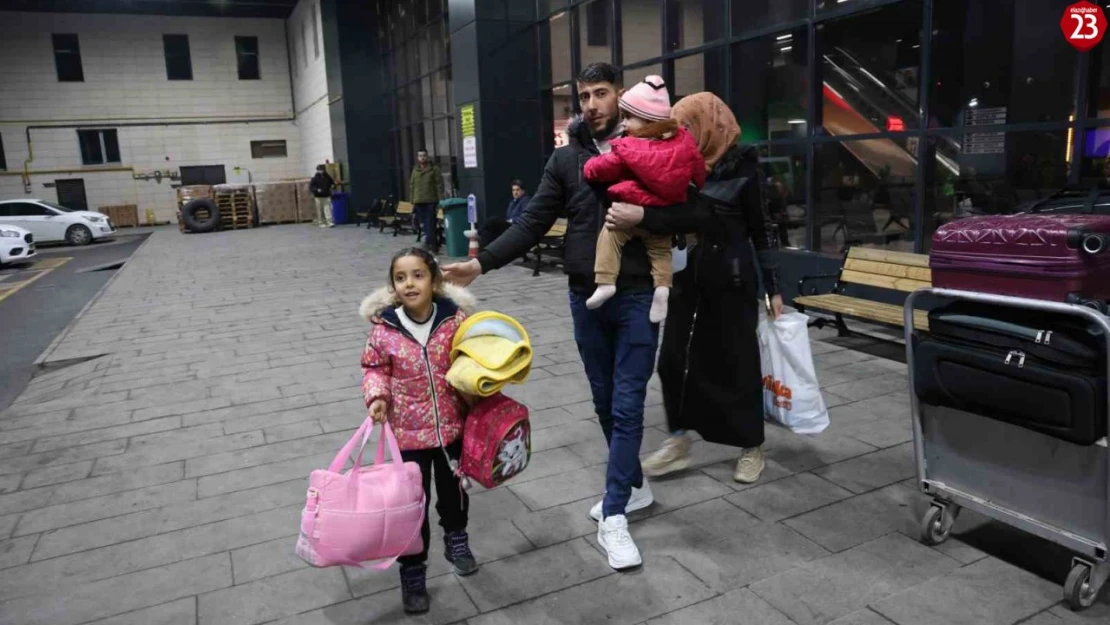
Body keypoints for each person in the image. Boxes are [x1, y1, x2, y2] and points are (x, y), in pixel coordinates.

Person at [443, 62, 668, 572]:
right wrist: (481, 263)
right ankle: (633, 486)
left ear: (620, 97)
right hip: (583, 295)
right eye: (583, 96)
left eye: (601, 93)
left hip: (636, 295)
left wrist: (646, 218)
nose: (591, 104)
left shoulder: (650, 147)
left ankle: (614, 515)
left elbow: (690, 211)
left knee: (629, 403)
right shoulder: (566, 160)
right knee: (605, 401)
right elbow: (533, 220)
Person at [607, 93, 784, 483]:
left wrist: (774, 287)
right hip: (686, 277)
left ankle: (751, 445)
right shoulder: (680, 163)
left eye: (687, 127)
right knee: (672, 359)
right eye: (677, 128)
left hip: (733, 279)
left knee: (737, 363)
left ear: (709, 124)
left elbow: (763, 229)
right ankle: (679, 440)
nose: (681, 134)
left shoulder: (744, 165)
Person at [359, 247, 479, 614]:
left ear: (435, 280)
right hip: (407, 435)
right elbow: (374, 367)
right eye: (400, 277)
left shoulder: (454, 320)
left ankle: (456, 537)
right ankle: (413, 571)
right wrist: (377, 396)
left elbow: (473, 357)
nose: (409, 283)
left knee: (454, 494)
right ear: (393, 286)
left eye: (417, 275)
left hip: (450, 431)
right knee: (411, 507)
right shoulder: (385, 329)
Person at [582, 75, 706, 322]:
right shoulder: (684, 143)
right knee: (660, 251)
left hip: (631, 207)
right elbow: (699, 170)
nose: (625, 123)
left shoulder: (630, 147)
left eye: (628, 117)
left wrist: (589, 168)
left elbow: (603, 167)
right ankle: (662, 288)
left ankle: (605, 281)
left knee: (610, 235)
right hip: (662, 213)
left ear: (647, 119)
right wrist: (697, 182)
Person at [410, 149, 445, 253]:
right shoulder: (415, 170)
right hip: (418, 201)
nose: (422, 157)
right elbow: (412, 185)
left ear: (427, 156)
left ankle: (433, 246)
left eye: (424, 155)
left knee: (430, 223)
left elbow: (439, 186)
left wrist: (441, 200)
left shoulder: (434, 169)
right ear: (417, 157)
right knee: (424, 224)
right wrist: (412, 200)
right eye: (420, 156)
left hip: (431, 201)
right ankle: (429, 243)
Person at [478, 180, 530, 248]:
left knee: (493, 220)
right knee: (487, 233)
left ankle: (478, 232)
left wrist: (512, 220)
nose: (515, 192)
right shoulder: (512, 202)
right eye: (513, 190)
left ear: (523, 191)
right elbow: (508, 216)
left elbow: (525, 217)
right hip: (509, 226)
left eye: (517, 190)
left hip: (517, 227)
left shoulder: (525, 200)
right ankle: (483, 253)